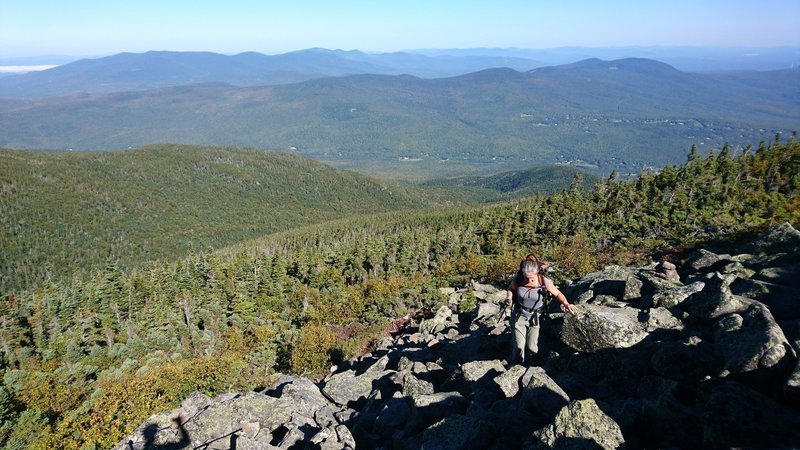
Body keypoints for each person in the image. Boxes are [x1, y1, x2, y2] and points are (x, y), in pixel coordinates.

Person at [506, 259, 577, 365]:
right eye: (527, 277)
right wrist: (509, 298)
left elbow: (557, 294)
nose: (529, 280)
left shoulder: (544, 281)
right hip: (519, 315)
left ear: (536, 272)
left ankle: (534, 366)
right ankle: (516, 367)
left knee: (532, 347)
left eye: (531, 277)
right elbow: (510, 289)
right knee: (519, 346)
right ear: (523, 273)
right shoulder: (518, 279)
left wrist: (566, 304)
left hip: (535, 316)